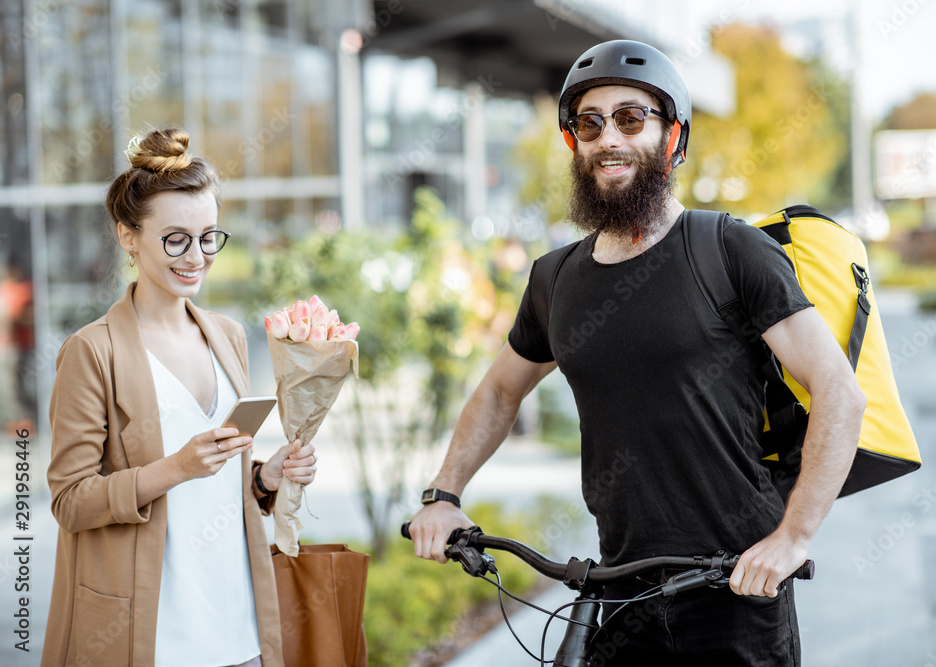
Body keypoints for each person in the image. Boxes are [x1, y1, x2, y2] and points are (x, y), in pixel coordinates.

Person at [407, 40, 866, 665]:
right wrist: (444, 494)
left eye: (630, 118)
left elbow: (838, 390)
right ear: (574, 144)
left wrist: (793, 538)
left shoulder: (729, 251)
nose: (608, 138)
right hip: (619, 591)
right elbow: (499, 390)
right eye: (589, 124)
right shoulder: (555, 279)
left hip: (735, 586)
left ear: (673, 137)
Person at [42, 128, 318, 667]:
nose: (196, 256)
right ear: (128, 237)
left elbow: (222, 485)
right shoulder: (91, 352)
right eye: (175, 239)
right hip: (151, 638)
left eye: (209, 236)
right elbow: (69, 502)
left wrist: (265, 478)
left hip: (240, 630)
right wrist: (175, 468)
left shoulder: (228, 335)